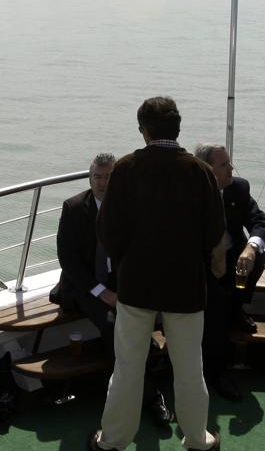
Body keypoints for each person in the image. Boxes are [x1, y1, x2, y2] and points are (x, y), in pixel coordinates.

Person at [90, 97, 225, 451]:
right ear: (176, 128)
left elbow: (108, 232)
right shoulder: (199, 172)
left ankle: (113, 440)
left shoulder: (126, 169)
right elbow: (214, 233)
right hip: (185, 287)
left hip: (136, 287)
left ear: (144, 130)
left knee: (128, 367)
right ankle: (197, 438)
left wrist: (127, 261)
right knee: (189, 369)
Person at [53, 153, 173, 426]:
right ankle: (148, 396)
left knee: (142, 314)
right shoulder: (73, 208)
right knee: (115, 324)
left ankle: (132, 384)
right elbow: (68, 261)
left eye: (109, 177)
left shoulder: (129, 206)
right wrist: (102, 292)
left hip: (120, 282)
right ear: (90, 178)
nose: (103, 183)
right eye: (98, 177)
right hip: (85, 286)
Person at [193, 142, 265, 401]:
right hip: (200, 266)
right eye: (224, 164)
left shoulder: (239, 188)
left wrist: (250, 247)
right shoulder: (190, 195)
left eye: (229, 162)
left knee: (257, 257)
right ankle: (216, 374)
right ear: (207, 169)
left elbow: (258, 221)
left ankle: (238, 306)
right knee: (217, 305)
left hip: (232, 259)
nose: (231, 168)